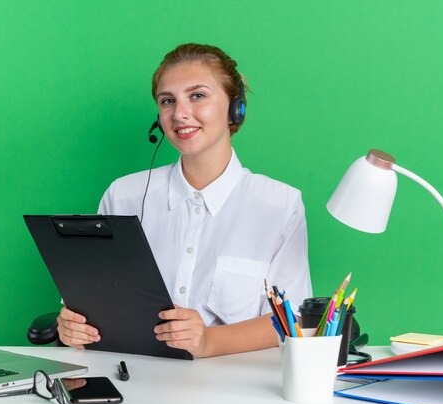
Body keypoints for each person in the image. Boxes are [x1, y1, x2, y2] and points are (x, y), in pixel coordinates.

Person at [57, 43, 312, 358]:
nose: (179, 114)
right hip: (132, 381)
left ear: (236, 108)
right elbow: (93, 302)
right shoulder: (123, 196)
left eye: (198, 96)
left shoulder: (279, 204)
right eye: (167, 101)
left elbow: (294, 317)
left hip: (234, 390)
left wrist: (208, 341)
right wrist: (74, 326)